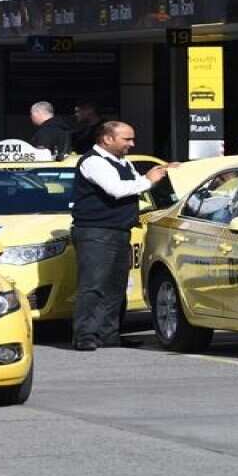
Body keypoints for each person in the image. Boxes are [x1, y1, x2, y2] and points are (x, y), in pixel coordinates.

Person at [71, 121, 176, 351]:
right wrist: (149, 179)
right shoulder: (93, 161)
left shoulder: (122, 162)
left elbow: (132, 187)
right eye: (126, 139)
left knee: (116, 285)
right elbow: (117, 189)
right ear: (107, 139)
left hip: (118, 231)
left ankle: (109, 334)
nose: (132, 143)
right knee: (94, 284)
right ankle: (85, 335)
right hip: (96, 231)